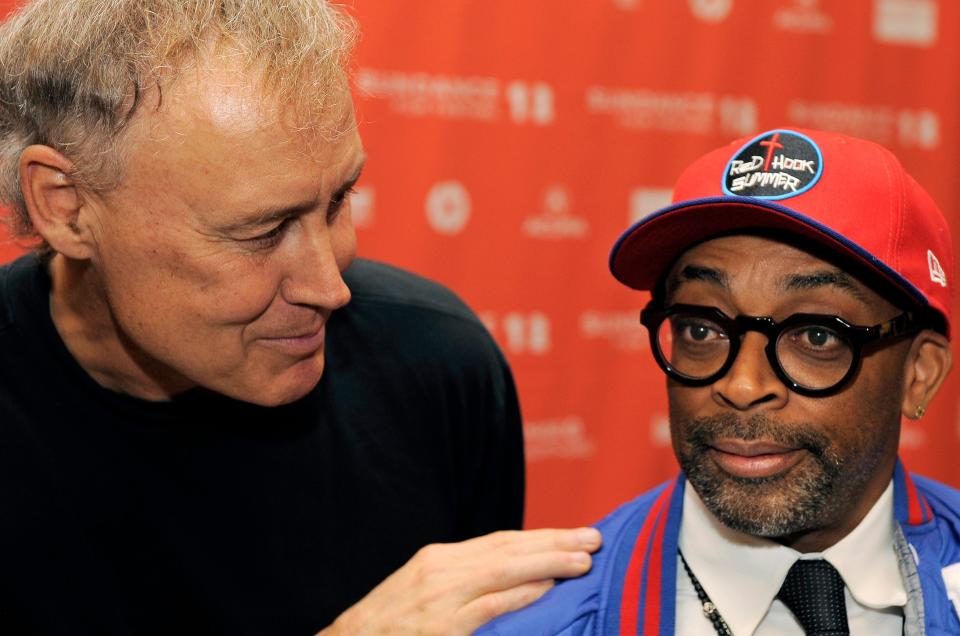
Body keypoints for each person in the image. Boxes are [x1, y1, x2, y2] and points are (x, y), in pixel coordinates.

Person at [0, 1, 601, 634]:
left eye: (340, 200)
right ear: (66, 207)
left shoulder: (435, 365)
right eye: (262, 230)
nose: (330, 287)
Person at [479, 127, 960, 635]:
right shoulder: (546, 622)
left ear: (918, 374)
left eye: (816, 336)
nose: (743, 385)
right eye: (701, 328)